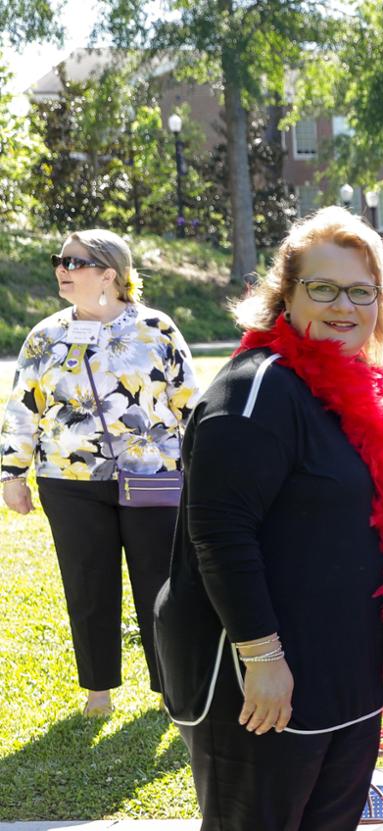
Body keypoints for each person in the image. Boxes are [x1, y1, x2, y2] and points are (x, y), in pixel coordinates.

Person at [153, 207, 383, 829]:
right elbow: (220, 532)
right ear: (285, 296)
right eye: (323, 288)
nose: (343, 306)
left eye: (361, 291)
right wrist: (262, 657)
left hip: (344, 677)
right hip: (260, 681)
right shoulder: (256, 389)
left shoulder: (354, 391)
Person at [3, 229, 198, 718]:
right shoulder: (45, 335)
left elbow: (189, 403)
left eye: (74, 262)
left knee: (160, 585)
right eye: (59, 260)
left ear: (109, 273)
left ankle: (168, 688)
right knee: (87, 586)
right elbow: (23, 409)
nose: (61, 269)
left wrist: (205, 467)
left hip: (153, 475)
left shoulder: (156, 328)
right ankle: (98, 692)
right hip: (68, 481)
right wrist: (12, 473)